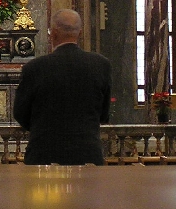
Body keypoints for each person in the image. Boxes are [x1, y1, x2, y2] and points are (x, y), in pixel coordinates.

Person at [13, 9, 111, 165]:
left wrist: (43, 127)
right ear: (80, 33)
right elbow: (104, 114)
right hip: (87, 154)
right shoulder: (101, 65)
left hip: (44, 154)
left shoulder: (35, 68)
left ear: (53, 34)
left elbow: (20, 113)